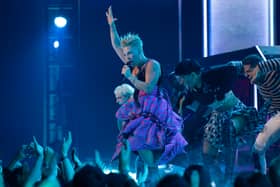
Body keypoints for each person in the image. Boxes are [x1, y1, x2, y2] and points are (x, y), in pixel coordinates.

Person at [106, 6, 188, 169]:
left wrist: (130, 77)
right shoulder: (132, 63)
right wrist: (111, 25)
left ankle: (163, 165)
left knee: (150, 142)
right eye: (126, 54)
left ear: (139, 50)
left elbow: (149, 88)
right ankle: (152, 167)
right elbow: (116, 45)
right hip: (138, 103)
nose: (127, 57)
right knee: (127, 128)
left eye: (130, 53)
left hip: (154, 104)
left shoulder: (152, 64)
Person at [173, 59, 258, 184]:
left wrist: (223, 90)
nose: (180, 81)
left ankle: (229, 179)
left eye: (182, 77)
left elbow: (233, 68)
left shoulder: (210, 75)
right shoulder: (191, 92)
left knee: (228, 129)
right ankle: (219, 181)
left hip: (236, 112)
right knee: (207, 156)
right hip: (218, 116)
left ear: (192, 75)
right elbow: (182, 108)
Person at [242, 54, 280, 174]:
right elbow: (271, 104)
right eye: (245, 72)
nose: (246, 75)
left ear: (259, 67)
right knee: (258, 148)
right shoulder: (259, 83)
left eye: (250, 71)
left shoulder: (273, 72)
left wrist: (261, 66)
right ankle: (261, 178)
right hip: (277, 115)